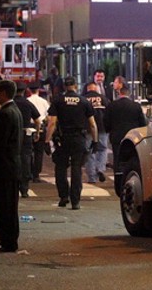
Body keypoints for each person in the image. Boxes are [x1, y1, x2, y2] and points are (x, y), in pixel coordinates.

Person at [45, 76, 97, 210]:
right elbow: (92, 124)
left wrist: (46, 140)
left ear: (64, 87)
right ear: (75, 86)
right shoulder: (84, 101)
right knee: (76, 169)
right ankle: (75, 201)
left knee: (61, 168)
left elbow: (52, 123)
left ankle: (63, 196)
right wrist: (95, 141)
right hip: (79, 138)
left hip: (62, 139)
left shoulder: (58, 101)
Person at [0, 79, 24, 253]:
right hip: (12, 165)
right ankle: (10, 240)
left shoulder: (5, 113)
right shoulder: (14, 111)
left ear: (3, 93)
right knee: (10, 206)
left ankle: (6, 241)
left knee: (3, 206)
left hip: (3, 167)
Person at [104, 83, 147, 193]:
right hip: (132, 138)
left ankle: (118, 185)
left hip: (117, 137)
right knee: (131, 160)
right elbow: (142, 123)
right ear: (129, 93)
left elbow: (106, 122)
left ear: (119, 93)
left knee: (117, 161)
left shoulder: (112, 105)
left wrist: (109, 131)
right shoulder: (136, 106)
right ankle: (129, 181)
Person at [13, 81, 41, 197]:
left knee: (13, 158)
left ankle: (14, 185)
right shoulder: (28, 103)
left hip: (13, 135)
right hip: (26, 134)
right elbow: (38, 121)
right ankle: (24, 189)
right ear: (25, 91)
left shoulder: (11, 103)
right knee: (26, 159)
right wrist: (37, 132)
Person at [83, 81, 110, 183]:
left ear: (88, 89)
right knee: (102, 149)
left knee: (89, 152)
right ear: (96, 89)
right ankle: (101, 169)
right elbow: (109, 112)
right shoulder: (103, 98)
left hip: (88, 128)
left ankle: (92, 177)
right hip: (102, 128)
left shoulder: (84, 99)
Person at [26, 81, 51, 182]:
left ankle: (29, 171)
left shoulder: (27, 100)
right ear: (38, 90)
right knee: (39, 152)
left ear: (28, 90)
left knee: (28, 151)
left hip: (29, 127)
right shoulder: (44, 102)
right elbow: (48, 116)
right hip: (41, 126)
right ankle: (36, 174)